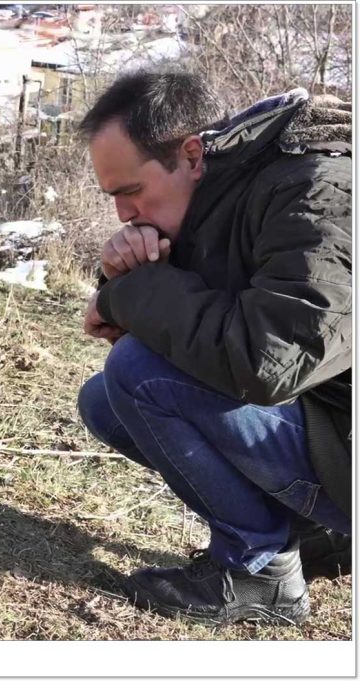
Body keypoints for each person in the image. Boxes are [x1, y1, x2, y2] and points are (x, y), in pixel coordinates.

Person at [76, 70, 352, 625]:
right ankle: (306, 533)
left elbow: (267, 360)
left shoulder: (319, 191)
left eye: (131, 192)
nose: (123, 214)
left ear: (192, 155)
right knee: (106, 402)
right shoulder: (222, 191)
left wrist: (133, 293)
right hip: (327, 422)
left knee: (138, 373)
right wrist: (126, 270)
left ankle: (262, 569)